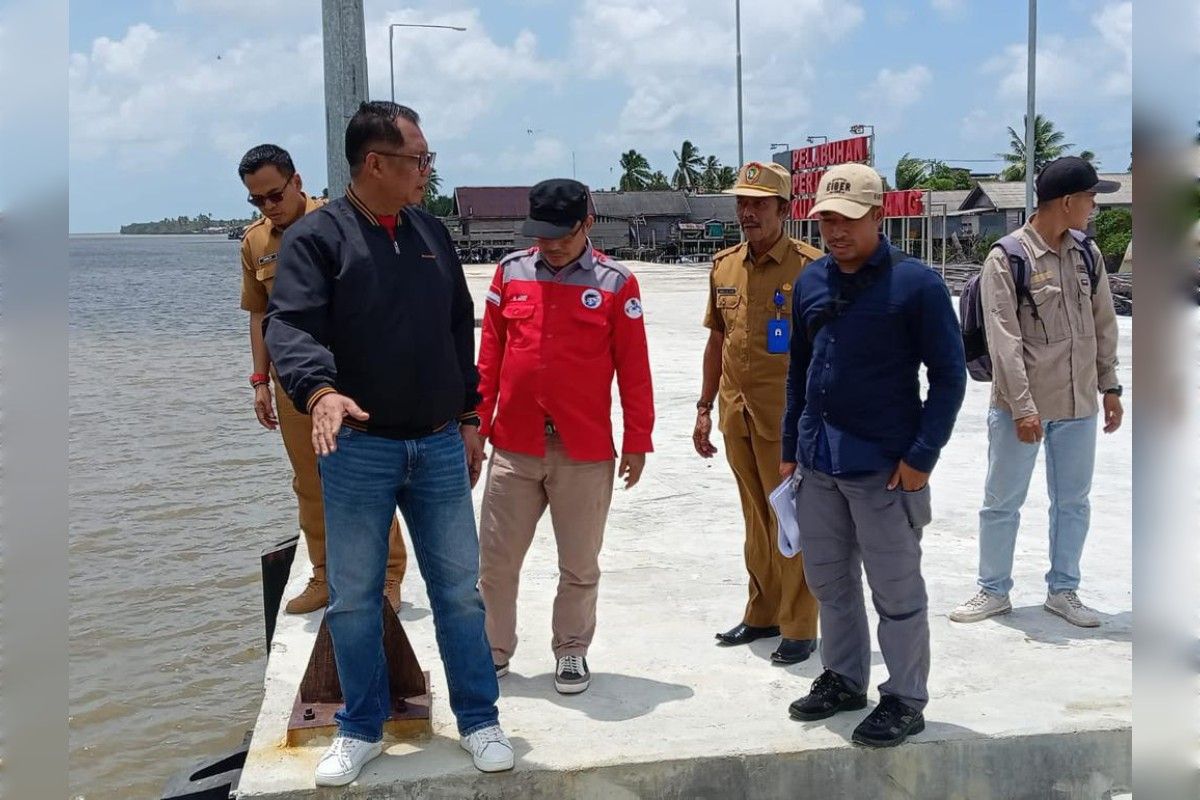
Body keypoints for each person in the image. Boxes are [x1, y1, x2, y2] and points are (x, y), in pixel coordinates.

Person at [265, 102, 512, 786]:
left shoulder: (431, 232)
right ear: (375, 163)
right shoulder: (316, 240)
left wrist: (468, 417)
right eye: (417, 160)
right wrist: (319, 392)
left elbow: (457, 330)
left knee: (460, 591)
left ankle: (479, 719)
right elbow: (289, 328)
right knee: (352, 595)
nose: (426, 171)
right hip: (360, 450)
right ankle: (360, 727)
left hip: (436, 447)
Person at [782, 163, 966, 747]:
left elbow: (949, 378)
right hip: (818, 463)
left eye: (848, 220)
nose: (836, 232)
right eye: (827, 220)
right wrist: (791, 450)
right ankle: (842, 678)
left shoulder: (917, 286)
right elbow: (798, 374)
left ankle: (906, 697)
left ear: (878, 217)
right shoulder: (811, 283)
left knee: (897, 592)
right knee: (830, 584)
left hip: (885, 469)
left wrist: (921, 457)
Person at [476, 179, 654, 695]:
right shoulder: (510, 272)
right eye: (542, 235)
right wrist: (476, 427)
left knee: (579, 563)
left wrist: (638, 439)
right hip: (514, 445)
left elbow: (633, 369)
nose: (550, 245)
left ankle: (571, 649)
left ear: (588, 225)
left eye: (561, 235)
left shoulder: (618, 283)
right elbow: (489, 360)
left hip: (584, 450)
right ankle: (491, 651)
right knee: (496, 562)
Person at [950, 157, 1122, 628]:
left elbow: (1104, 324)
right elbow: (1004, 344)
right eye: (1090, 198)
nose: (1094, 207)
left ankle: (1063, 591)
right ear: (1067, 203)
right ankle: (992, 591)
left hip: (1079, 402)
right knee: (1002, 502)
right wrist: (1024, 410)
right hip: (1019, 407)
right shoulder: (1006, 259)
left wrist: (1110, 386)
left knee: (1073, 502)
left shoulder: (1089, 254)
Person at [237, 143, 408, 614]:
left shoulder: (341, 225)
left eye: (275, 194)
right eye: (258, 201)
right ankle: (323, 575)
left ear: (297, 181)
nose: (269, 207)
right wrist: (258, 381)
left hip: (350, 378)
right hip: (293, 384)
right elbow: (259, 317)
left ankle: (390, 575)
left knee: (368, 477)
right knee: (309, 482)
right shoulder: (255, 243)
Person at [696, 161, 822, 664]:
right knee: (755, 520)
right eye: (742, 204)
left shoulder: (811, 269)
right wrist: (705, 408)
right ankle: (762, 612)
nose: (747, 213)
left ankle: (799, 626)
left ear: (784, 210)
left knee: (792, 522)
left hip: (789, 422)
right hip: (737, 415)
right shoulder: (724, 265)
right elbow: (717, 341)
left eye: (758, 204)